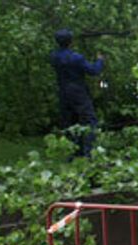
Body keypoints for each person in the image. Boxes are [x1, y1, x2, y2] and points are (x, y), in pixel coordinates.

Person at [50, 29, 104, 157]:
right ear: (70, 41)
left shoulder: (54, 56)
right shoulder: (76, 58)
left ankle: (73, 153)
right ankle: (87, 152)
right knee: (89, 120)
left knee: (71, 122)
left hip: (63, 92)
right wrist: (100, 60)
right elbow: (93, 71)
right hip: (78, 92)